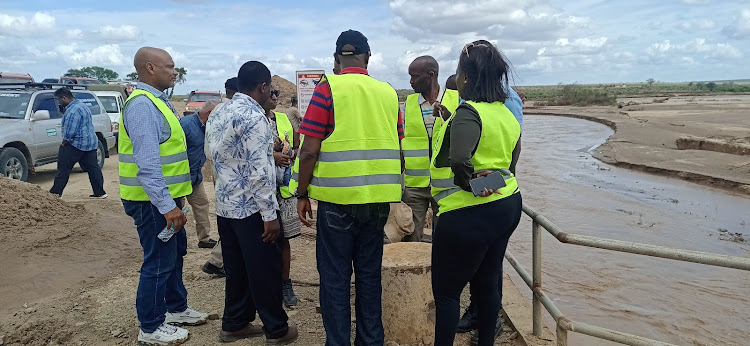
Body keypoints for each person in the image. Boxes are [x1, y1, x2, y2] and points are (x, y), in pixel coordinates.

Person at [291, 29, 403, 346]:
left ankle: (338, 341)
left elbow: (309, 150)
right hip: (378, 203)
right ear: (368, 57)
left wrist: (302, 194)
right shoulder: (388, 93)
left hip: (337, 203)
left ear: (337, 59)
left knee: (335, 279)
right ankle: (371, 341)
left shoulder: (328, 90)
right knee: (369, 276)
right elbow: (398, 146)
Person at [430, 40, 523, 346]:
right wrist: (491, 183)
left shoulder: (470, 111)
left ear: (466, 78)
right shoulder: (506, 113)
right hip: (507, 205)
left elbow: (458, 158)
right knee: (487, 281)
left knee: (446, 294)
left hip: (467, 214)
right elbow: (508, 163)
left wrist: (474, 186)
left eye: (457, 71)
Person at [119, 47, 208, 345]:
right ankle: (151, 326)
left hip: (167, 199)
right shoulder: (143, 106)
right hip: (153, 203)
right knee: (158, 261)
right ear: (150, 68)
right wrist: (167, 206)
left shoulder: (159, 102)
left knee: (174, 255)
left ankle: (175, 308)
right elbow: (147, 165)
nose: (175, 72)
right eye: (169, 66)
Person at [206, 61, 297, 344]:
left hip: (225, 206)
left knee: (237, 269)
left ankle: (235, 323)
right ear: (263, 86)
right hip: (253, 210)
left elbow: (212, 153)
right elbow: (260, 172)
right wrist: (270, 216)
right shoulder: (255, 117)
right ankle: (276, 329)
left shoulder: (220, 110)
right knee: (265, 270)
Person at [450, 75, 525, 343]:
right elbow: (510, 156)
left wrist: (477, 185)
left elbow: (505, 155)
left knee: (468, 280)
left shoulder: (486, 105)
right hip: (502, 198)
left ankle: (487, 323)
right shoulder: (487, 104)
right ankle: (481, 319)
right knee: (487, 271)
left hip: (485, 200)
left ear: (469, 76)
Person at [401, 56, 460, 242]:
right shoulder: (407, 105)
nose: (411, 81)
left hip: (446, 183)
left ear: (431, 75)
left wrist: (449, 118)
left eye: (415, 76)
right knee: (411, 235)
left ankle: (441, 271)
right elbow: (400, 143)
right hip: (414, 185)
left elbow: (464, 136)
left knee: (445, 236)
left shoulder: (456, 99)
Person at [264, 82, 302, 307]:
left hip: (284, 191)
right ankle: (267, 285)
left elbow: (297, 144)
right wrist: (273, 156)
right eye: (272, 93)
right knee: (264, 239)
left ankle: (285, 283)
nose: (275, 97)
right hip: (262, 191)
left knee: (285, 239)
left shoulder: (284, 119)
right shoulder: (253, 120)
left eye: (278, 93)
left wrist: (289, 152)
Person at [201, 77, 238, 278]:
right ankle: (217, 261)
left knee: (226, 215)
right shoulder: (236, 111)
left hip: (217, 168)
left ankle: (219, 259)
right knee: (237, 218)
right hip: (233, 172)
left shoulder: (215, 111)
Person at [49, 87, 107, 199]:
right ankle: (100, 192)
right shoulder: (82, 105)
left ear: (64, 98)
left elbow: (70, 131)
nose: (59, 102)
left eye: (59, 99)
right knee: (93, 168)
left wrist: (64, 142)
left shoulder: (72, 111)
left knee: (63, 169)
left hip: (76, 144)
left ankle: (55, 194)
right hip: (90, 143)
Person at [179, 99, 219, 249]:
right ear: (209, 114)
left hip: (195, 177)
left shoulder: (208, 128)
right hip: (180, 177)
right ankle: (173, 239)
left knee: (202, 204)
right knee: (177, 209)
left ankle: (204, 238)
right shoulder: (186, 125)